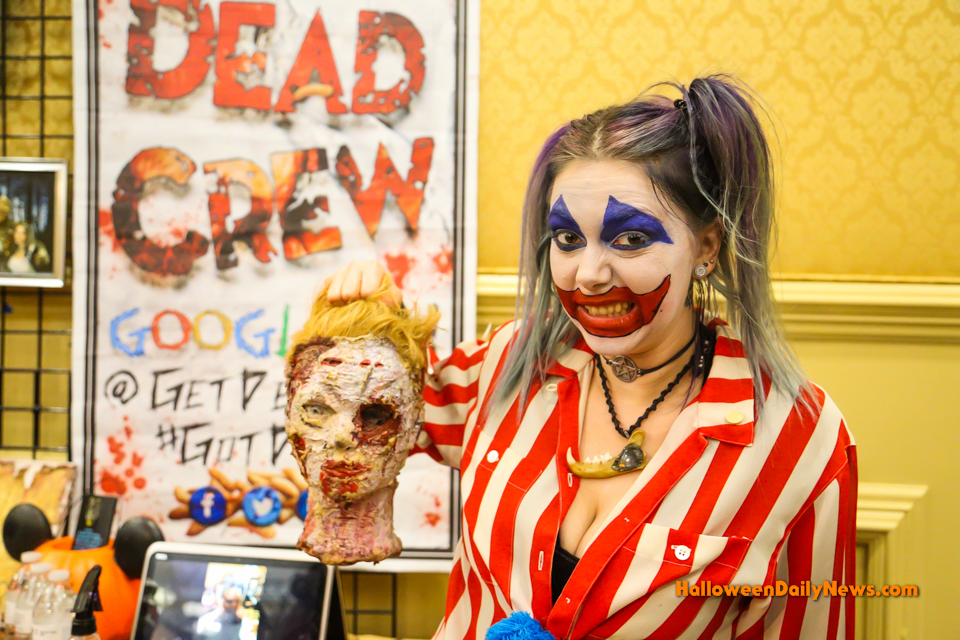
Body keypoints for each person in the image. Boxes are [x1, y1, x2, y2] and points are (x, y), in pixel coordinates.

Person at [323, 75, 856, 639]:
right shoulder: (506, 365)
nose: (589, 274)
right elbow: (367, 420)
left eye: (631, 239)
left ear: (706, 246)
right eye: (568, 240)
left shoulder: (801, 440)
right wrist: (370, 322)